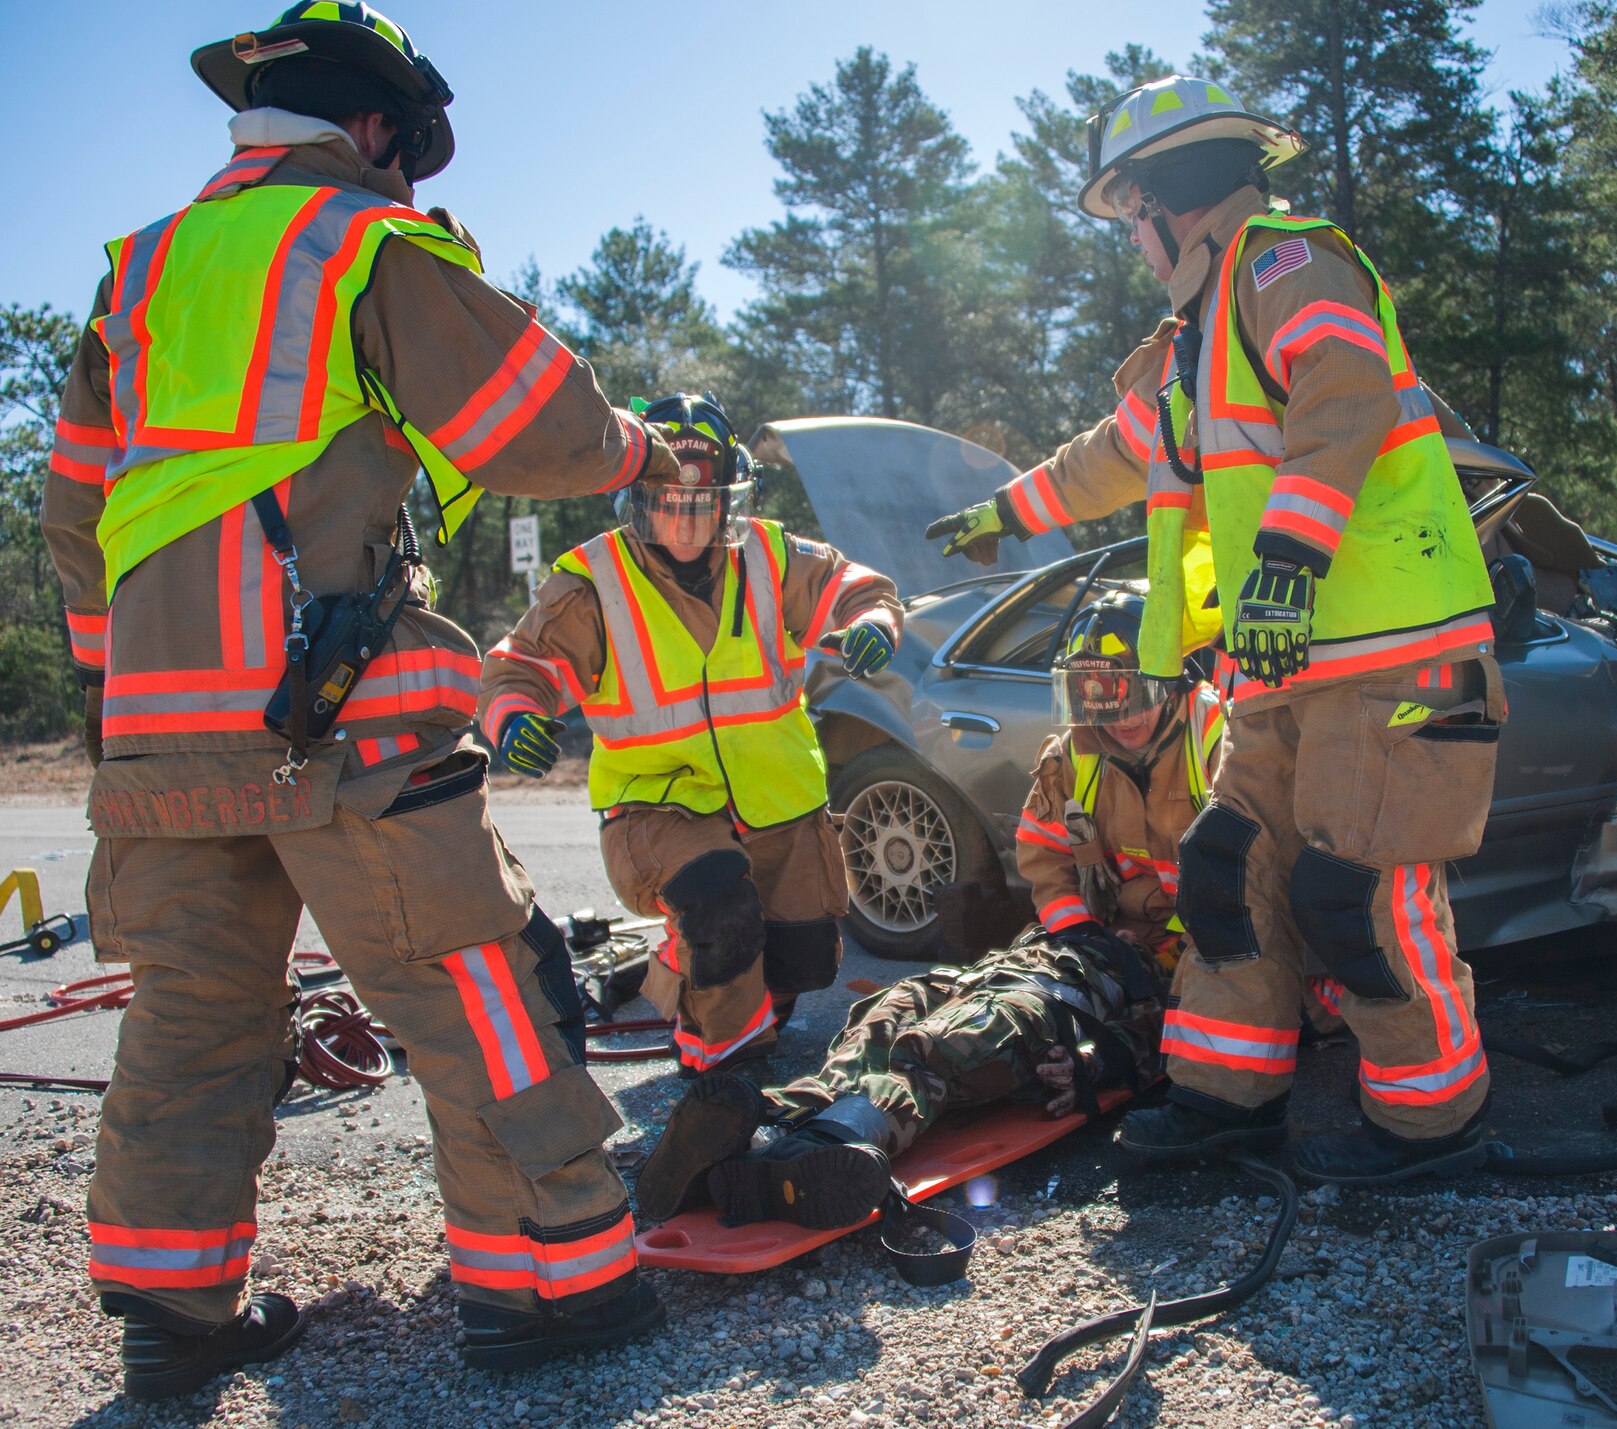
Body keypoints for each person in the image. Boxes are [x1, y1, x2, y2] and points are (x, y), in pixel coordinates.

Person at [40, 3, 685, 1395]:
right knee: (473, 985)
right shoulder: (361, 244)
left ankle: (175, 1314)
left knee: (192, 1010)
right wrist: (639, 441)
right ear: (378, 127)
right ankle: (552, 1285)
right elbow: (541, 428)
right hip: (332, 720)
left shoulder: (136, 278)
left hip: (161, 730)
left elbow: (77, 512)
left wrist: (115, 691)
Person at [939, 77, 1504, 1187]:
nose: (1135, 246)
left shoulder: (1287, 264)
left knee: (1359, 897)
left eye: (1130, 219)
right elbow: (1108, 455)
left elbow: (1342, 397)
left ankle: (1434, 1129)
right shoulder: (1191, 343)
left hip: (1391, 655)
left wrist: (1287, 562)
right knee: (1223, 872)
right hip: (1281, 672)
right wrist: (1004, 510)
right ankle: (1223, 1101)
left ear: (1157, 205)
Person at [635, 594, 1222, 1227]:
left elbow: (1246, 949)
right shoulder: (1076, 752)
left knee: (958, 1037)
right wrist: (1077, 929)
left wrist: (1113, 1057)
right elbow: (1046, 859)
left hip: (1170, 971)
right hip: (1074, 948)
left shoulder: (1218, 747)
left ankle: (836, 1142)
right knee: (900, 1003)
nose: (1114, 714)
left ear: (1172, 677)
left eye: (1127, 691)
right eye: (1094, 694)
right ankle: (765, 1129)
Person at [477, 393, 902, 1106]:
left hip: (778, 804)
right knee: (720, 908)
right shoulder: (594, 579)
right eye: (666, 501)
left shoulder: (770, 554)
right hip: (656, 806)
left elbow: (852, 586)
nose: (683, 518)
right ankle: (717, 1067)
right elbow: (523, 662)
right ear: (638, 498)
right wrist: (515, 714)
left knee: (796, 958)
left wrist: (873, 619)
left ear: (729, 497)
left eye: (702, 503)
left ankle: (692, 975)